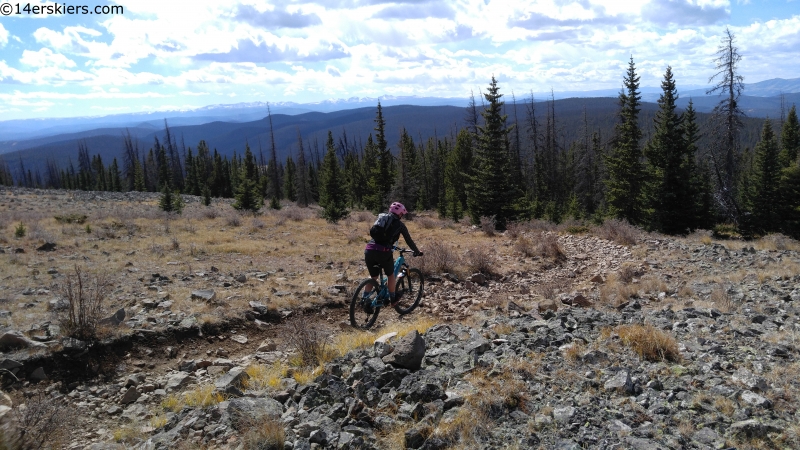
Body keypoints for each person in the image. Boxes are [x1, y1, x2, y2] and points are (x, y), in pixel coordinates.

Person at [364, 202, 423, 306]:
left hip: (369, 249)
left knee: (373, 276)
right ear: (400, 214)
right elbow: (409, 240)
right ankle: (393, 298)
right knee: (391, 275)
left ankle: (364, 298)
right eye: (402, 214)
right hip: (383, 252)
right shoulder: (400, 225)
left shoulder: (382, 218)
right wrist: (417, 251)